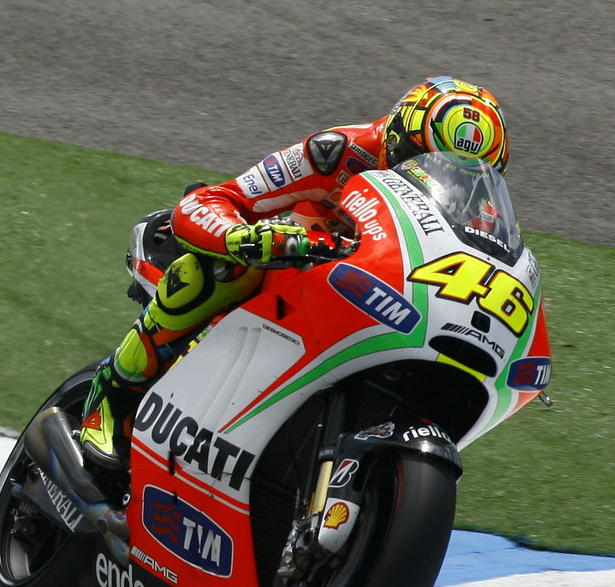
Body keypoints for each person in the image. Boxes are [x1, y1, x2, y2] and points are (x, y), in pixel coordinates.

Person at [78, 76, 509, 467]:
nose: (447, 186)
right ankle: (112, 393)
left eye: (466, 178)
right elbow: (208, 201)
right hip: (286, 276)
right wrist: (243, 239)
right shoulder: (338, 152)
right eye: (423, 161)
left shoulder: (477, 211)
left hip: (369, 302)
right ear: (394, 140)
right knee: (230, 267)